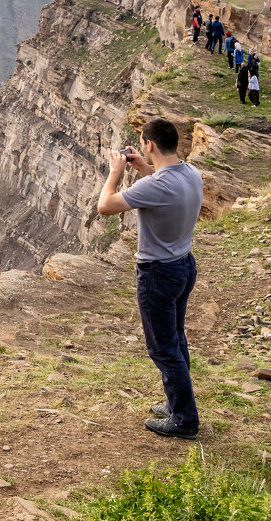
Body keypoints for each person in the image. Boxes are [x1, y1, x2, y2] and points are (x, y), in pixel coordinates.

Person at [96, 119, 203, 440]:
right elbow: (164, 186)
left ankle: (184, 420)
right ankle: (176, 404)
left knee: (163, 349)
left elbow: (105, 206)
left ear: (150, 145)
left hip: (158, 274)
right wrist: (144, 168)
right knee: (176, 340)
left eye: (143, 144)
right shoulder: (190, 173)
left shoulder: (156, 185)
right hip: (183, 266)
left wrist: (116, 171)